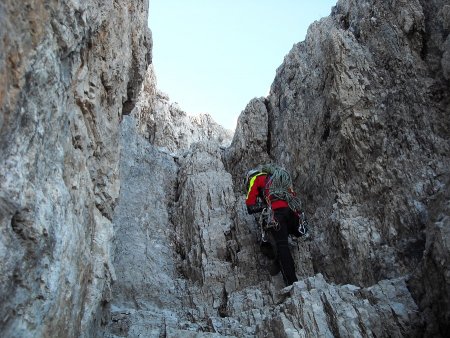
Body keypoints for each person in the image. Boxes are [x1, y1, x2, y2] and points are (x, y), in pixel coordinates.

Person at [244, 165, 305, 286]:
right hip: (294, 215)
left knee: (282, 245)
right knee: (283, 238)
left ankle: (292, 283)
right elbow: (292, 195)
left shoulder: (255, 179)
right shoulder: (278, 179)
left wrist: (264, 206)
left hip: (278, 213)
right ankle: (278, 261)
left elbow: (250, 205)